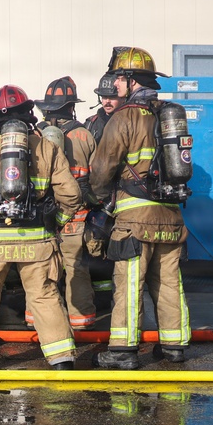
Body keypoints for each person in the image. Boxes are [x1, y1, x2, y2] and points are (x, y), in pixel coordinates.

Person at [0, 84, 82, 370]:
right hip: (37, 242)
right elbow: (71, 196)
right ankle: (61, 361)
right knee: (44, 295)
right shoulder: (47, 147)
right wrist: (52, 224)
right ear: (29, 113)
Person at [87, 47, 191, 369]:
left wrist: (100, 198)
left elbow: (102, 168)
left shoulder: (125, 117)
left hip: (135, 221)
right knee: (169, 283)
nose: (115, 83)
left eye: (119, 77)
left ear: (130, 81)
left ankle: (122, 351)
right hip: (172, 218)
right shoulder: (169, 113)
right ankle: (174, 347)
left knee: (130, 282)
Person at [34, 76, 97, 330]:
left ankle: (35, 320)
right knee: (75, 268)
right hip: (75, 217)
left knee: (40, 270)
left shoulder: (37, 134)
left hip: (43, 215)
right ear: (71, 106)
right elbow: (96, 176)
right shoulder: (84, 135)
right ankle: (80, 321)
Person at [83, 70, 123, 305]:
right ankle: (103, 302)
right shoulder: (92, 125)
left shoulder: (129, 121)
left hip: (126, 197)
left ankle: (118, 299)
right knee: (96, 248)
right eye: (103, 96)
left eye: (112, 96)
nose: (107, 101)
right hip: (98, 199)